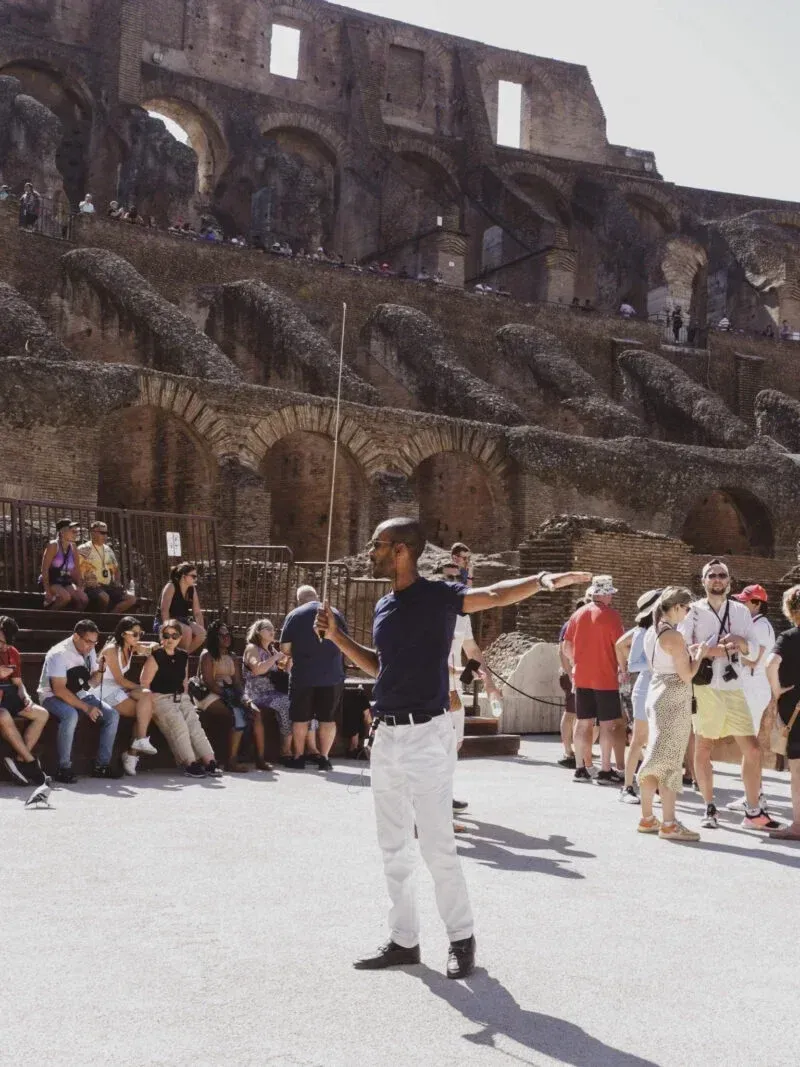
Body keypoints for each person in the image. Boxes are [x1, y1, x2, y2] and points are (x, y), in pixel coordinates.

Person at [316, 516, 590, 980]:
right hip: (387, 735)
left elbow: (498, 593)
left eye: (377, 544)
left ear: (401, 549)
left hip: (427, 734)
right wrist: (339, 638)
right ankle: (404, 940)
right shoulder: (384, 605)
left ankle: (461, 938)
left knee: (437, 843)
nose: (370, 552)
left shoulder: (440, 598)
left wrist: (544, 580)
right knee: (393, 845)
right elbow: (381, 667)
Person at [678, 559, 780, 830]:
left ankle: (753, 809)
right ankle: (709, 806)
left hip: (735, 687)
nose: (717, 579)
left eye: (722, 575)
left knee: (753, 748)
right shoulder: (693, 612)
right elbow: (686, 649)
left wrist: (741, 642)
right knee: (704, 747)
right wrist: (720, 650)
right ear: (703, 581)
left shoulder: (740, 611)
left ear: (729, 581)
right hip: (706, 687)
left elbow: (755, 650)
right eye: (712, 575)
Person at [636, 588, 707, 842]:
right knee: (669, 761)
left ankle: (648, 817)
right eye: (687, 609)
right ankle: (668, 823)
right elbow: (687, 675)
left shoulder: (650, 631)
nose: (687, 614)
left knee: (654, 756)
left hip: (657, 691)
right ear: (675, 607)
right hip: (673, 696)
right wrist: (698, 657)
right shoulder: (673, 636)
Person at [440, 561, 502, 829]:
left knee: (454, 744)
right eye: (449, 578)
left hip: (454, 689)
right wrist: (455, 670)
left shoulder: (462, 616)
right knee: (437, 747)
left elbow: (473, 650)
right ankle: (434, 804)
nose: (456, 582)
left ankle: (443, 794)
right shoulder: (428, 613)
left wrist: (488, 684)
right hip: (433, 688)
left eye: (459, 578)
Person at [38, 620, 121, 782]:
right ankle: (64, 768)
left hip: (80, 693)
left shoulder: (88, 649)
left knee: (112, 714)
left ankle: (101, 766)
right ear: (76, 636)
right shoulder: (58, 654)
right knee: (71, 715)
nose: (91, 646)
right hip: (51, 696)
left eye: (95, 642)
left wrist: (101, 670)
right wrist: (87, 708)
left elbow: (92, 683)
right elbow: (59, 689)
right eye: (88, 641)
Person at [137, 622, 222, 778]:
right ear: (161, 637)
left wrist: (186, 699)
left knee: (195, 724)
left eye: (174, 635)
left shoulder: (183, 656)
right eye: (166, 635)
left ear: (180, 637)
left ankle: (210, 761)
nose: (170, 639)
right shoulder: (156, 657)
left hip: (180, 696)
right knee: (179, 725)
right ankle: (190, 763)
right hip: (160, 697)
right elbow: (145, 683)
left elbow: (184, 681)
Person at [563, 575, 626, 785]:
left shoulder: (577, 614)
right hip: (605, 677)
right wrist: (623, 669)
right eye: (610, 594)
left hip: (581, 676)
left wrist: (576, 664)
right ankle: (606, 770)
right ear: (605, 594)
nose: (611, 598)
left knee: (583, 723)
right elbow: (620, 646)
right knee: (607, 725)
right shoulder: (612, 616)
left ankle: (580, 768)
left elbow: (566, 646)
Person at [280, 585, 347, 772]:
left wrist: (301, 653)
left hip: (303, 675)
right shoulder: (335, 613)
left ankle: (299, 757)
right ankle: (324, 758)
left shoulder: (294, 615)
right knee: (328, 719)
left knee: (300, 718)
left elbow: (284, 649)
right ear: (316, 596)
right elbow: (345, 644)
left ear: (298, 599)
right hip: (332, 675)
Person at [196, 620, 271, 772]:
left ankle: (260, 759)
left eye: (228, 634)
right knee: (237, 715)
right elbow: (209, 682)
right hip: (209, 694)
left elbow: (237, 682)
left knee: (255, 712)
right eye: (221, 635)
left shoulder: (233, 656)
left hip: (230, 693)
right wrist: (230, 697)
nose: (226, 638)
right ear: (213, 637)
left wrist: (244, 698)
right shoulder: (207, 655)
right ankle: (231, 761)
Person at [725, 584, 775, 813]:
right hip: (751, 688)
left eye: (745, 601)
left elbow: (756, 660)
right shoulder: (755, 624)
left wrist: (728, 655)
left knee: (749, 745)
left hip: (754, 689)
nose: (741, 605)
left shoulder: (761, 626)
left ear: (756, 603)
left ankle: (753, 797)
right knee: (749, 744)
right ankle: (756, 794)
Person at [88, 617, 158, 776]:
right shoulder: (111, 649)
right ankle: (132, 752)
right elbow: (120, 679)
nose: (138, 637)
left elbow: (146, 648)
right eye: (134, 634)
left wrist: (153, 646)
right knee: (145, 712)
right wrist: (139, 687)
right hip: (103, 690)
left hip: (118, 688)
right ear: (123, 634)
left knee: (146, 697)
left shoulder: (130, 646)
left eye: (141, 633)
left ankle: (135, 748)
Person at [615, 588, 661, 803]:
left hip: (661, 687)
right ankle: (627, 786)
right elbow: (633, 662)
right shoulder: (642, 632)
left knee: (657, 740)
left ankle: (655, 785)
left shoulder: (665, 629)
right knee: (639, 739)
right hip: (645, 687)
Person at [764, 585, 800, 840]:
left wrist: (777, 691)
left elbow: (770, 664)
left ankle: (798, 826)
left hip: (794, 712)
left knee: (797, 773)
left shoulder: (787, 638)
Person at [0, 616, 50, 787]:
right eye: (1, 641)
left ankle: (19, 760)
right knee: (3, 715)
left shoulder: (12, 652)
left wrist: (25, 697)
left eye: (7, 643)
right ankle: (30, 763)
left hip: (9, 696)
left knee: (41, 714)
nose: (4, 646)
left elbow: (18, 684)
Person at [243, 618, 293, 766]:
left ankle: (295, 751)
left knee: (297, 702)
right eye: (268, 628)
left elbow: (282, 672)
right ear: (258, 631)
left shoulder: (271, 650)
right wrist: (276, 657)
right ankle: (285, 752)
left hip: (273, 692)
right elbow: (257, 669)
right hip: (256, 694)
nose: (273, 631)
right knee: (285, 703)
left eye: (273, 629)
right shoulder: (252, 648)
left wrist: (288, 662)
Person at [78, 521, 137, 613]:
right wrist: (87, 581)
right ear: (93, 533)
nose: (105, 536)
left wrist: (117, 581)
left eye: (106, 533)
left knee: (131, 599)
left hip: (108, 586)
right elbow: (79, 569)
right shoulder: (84, 549)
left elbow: (116, 569)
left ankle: (111, 616)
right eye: (102, 533)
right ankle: (102, 619)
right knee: (104, 597)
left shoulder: (108, 549)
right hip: (92, 586)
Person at [557, 598, 585, 769]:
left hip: (578, 674)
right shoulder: (570, 625)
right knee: (570, 713)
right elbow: (562, 652)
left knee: (578, 714)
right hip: (571, 675)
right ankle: (567, 750)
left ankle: (576, 748)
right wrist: (570, 674)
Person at [40, 518, 88, 610]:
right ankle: (48, 618)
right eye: (73, 531)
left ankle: (74, 621)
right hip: (51, 580)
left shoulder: (73, 546)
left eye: (76, 531)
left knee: (83, 599)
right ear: (62, 532)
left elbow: (77, 569)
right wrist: (47, 591)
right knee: (65, 598)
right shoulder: (53, 545)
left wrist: (80, 587)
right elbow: (44, 569)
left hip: (65, 580)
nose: (76, 534)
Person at [158, 562, 206, 651]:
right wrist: (168, 629)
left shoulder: (192, 589)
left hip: (183, 620)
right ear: (184, 576)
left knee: (202, 634)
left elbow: (197, 613)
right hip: (167, 620)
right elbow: (164, 610)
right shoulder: (171, 586)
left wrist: (200, 628)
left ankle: (182, 657)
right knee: (187, 631)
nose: (195, 579)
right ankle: (181, 659)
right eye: (193, 576)